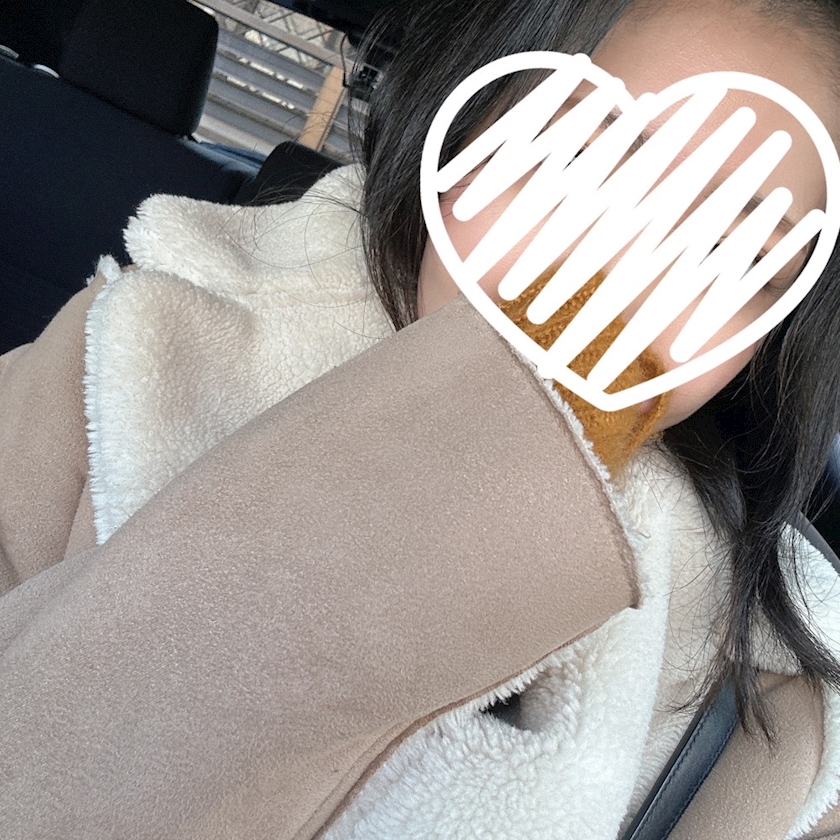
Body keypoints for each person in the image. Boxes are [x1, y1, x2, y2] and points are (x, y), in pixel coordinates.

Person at [1, 0, 840, 838]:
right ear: (463, 117)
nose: (619, 273)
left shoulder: (782, 710)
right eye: (582, 154)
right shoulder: (118, 358)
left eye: (733, 254)